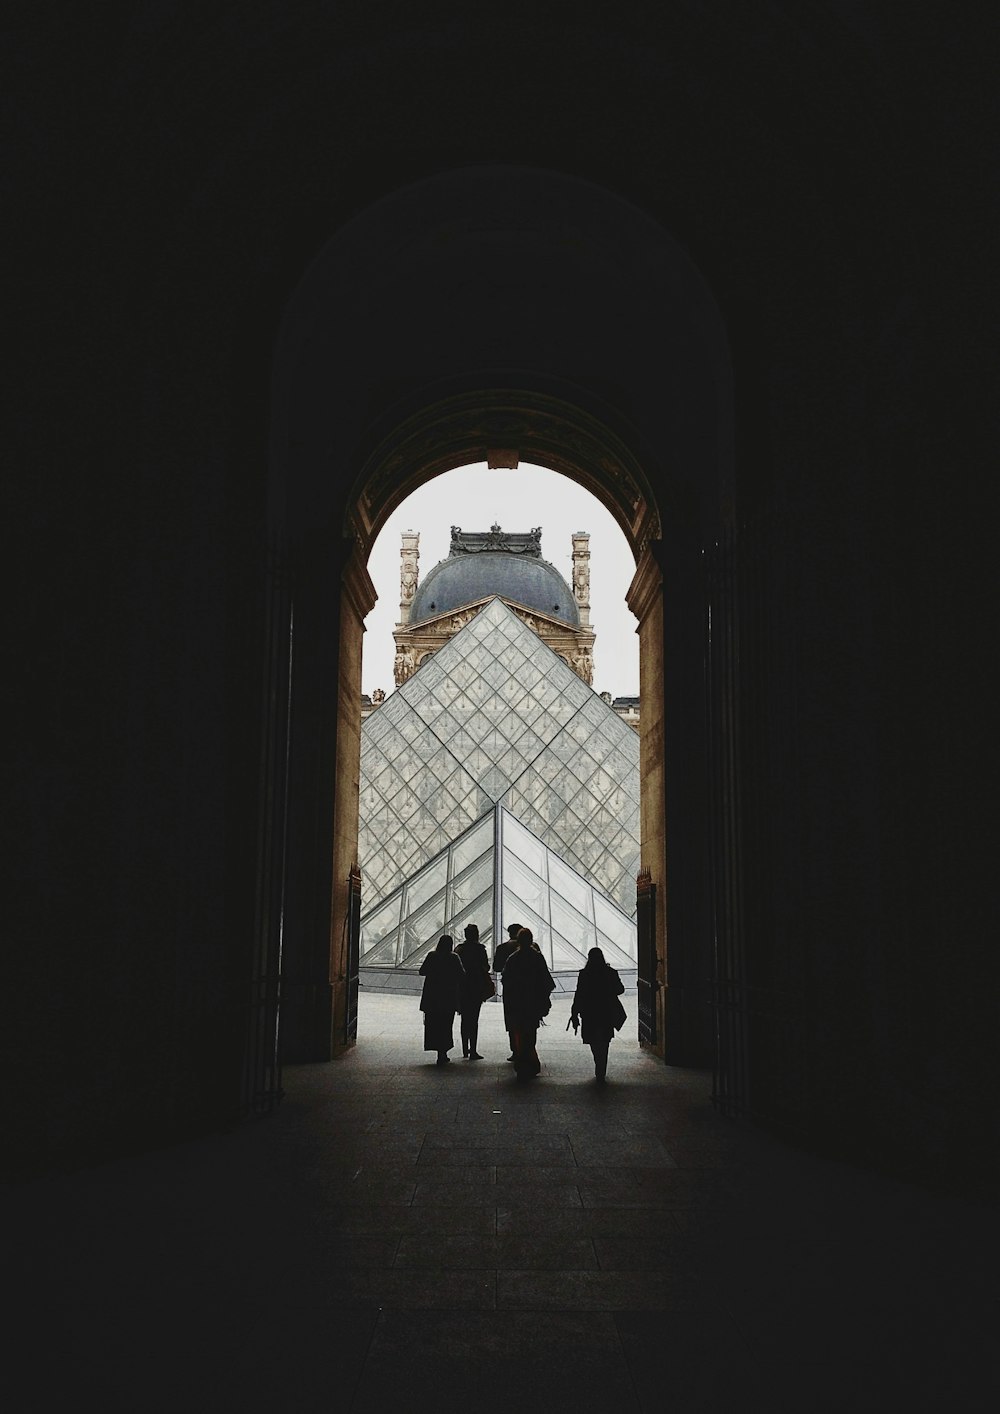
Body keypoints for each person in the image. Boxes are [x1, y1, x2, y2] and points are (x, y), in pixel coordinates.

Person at [501, 927, 555, 1080]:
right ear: (531, 940)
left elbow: (506, 980)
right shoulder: (537, 958)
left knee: (519, 1031)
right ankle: (530, 1062)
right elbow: (547, 982)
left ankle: (522, 1061)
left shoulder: (513, 958)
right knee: (530, 1033)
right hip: (533, 1003)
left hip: (518, 1003)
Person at [570, 947, 626, 1083]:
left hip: (589, 1013)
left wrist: (574, 1013)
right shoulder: (610, 972)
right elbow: (620, 990)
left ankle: (598, 1063)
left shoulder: (584, 974)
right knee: (605, 1041)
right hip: (606, 1011)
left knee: (593, 1041)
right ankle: (601, 1067)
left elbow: (579, 995)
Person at [418, 935, 464, 1065]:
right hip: (448, 996)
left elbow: (422, 971)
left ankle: (438, 1049)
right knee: (446, 1025)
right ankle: (443, 1052)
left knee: (434, 1024)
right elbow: (461, 974)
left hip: (432, 997)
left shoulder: (432, 955)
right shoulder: (454, 957)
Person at [455, 922, 491, 1059]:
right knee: (474, 1019)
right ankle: (473, 1050)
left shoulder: (460, 949)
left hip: (463, 987)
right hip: (476, 987)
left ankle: (465, 1050)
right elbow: (486, 967)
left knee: (464, 1019)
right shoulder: (480, 949)